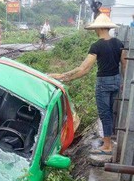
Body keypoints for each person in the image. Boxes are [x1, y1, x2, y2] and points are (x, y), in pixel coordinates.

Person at [50, 14, 127, 156]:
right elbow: (124, 64)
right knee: (109, 111)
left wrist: (63, 76)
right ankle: (107, 141)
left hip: (103, 83)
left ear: (99, 28)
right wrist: (123, 83)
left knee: (105, 113)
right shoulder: (118, 43)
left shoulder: (97, 46)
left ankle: (107, 146)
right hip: (116, 81)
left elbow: (84, 69)